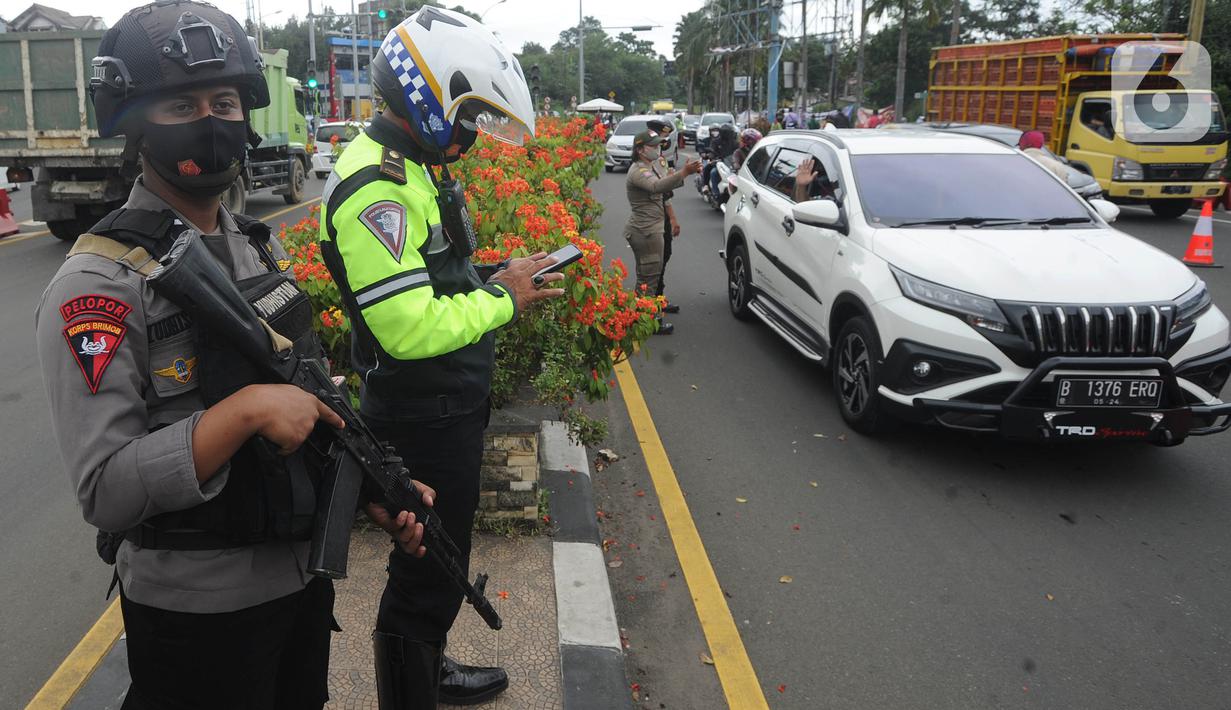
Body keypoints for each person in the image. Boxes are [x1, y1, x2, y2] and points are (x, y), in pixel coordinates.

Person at [35, 2, 431, 708]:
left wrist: (370, 487)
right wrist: (245, 412)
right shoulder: (96, 286)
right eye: (181, 103)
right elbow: (107, 491)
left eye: (224, 101)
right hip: (194, 614)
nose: (210, 121)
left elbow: (300, 389)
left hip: (297, 584)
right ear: (130, 120)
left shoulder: (252, 244)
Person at [317, 7, 564, 707]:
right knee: (426, 571)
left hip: (445, 403)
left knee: (438, 561)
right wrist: (505, 300)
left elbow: (436, 277)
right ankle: (412, 689)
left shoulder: (413, 170)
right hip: (421, 413)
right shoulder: (379, 187)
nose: (471, 138)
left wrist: (494, 273)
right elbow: (406, 326)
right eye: (468, 119)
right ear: (426, 99)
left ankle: (429, 665)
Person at [625, 130, 701, 334]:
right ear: (641, 150)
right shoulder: (638, 171)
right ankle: (647, 323)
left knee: (648, 277)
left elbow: (664, 190)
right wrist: (684, 172)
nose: (658, 149)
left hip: (650, 229)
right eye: (654, 145)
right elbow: (657, 187)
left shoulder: (650, 166)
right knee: (648, 279)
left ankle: (639, 317)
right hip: (646, 231)